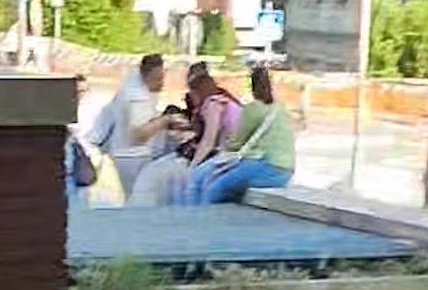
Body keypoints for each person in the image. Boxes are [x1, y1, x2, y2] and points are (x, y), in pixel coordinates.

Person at [132, 64, 242, 206]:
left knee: (186, 180)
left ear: (198, 92)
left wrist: (193, 165)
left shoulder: (212, 104)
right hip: (233, 151)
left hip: (230, 154)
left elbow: (208, 141)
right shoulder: (225, 100)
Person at [188, 65, 294, 205]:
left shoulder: (253, 108)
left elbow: (236, 144)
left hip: (264, 165)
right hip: (286, 170)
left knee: (213, 188)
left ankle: (198, 218)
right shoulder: (280, 107)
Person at [88, 54, 174, 199]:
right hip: (133, 157)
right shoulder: (137, 97)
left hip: (127, 154)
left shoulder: (133, 85)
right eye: (157, 79)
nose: (162, 84)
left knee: (134, 197)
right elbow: (137, 136)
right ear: (146, 76)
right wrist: (165, 121)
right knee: (138, 199)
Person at [65, 75, 96, 208]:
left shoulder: (92, 111)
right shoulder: (61, 112)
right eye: (78, 91)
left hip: (83, 165)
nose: (80, 95)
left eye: (84, 91)